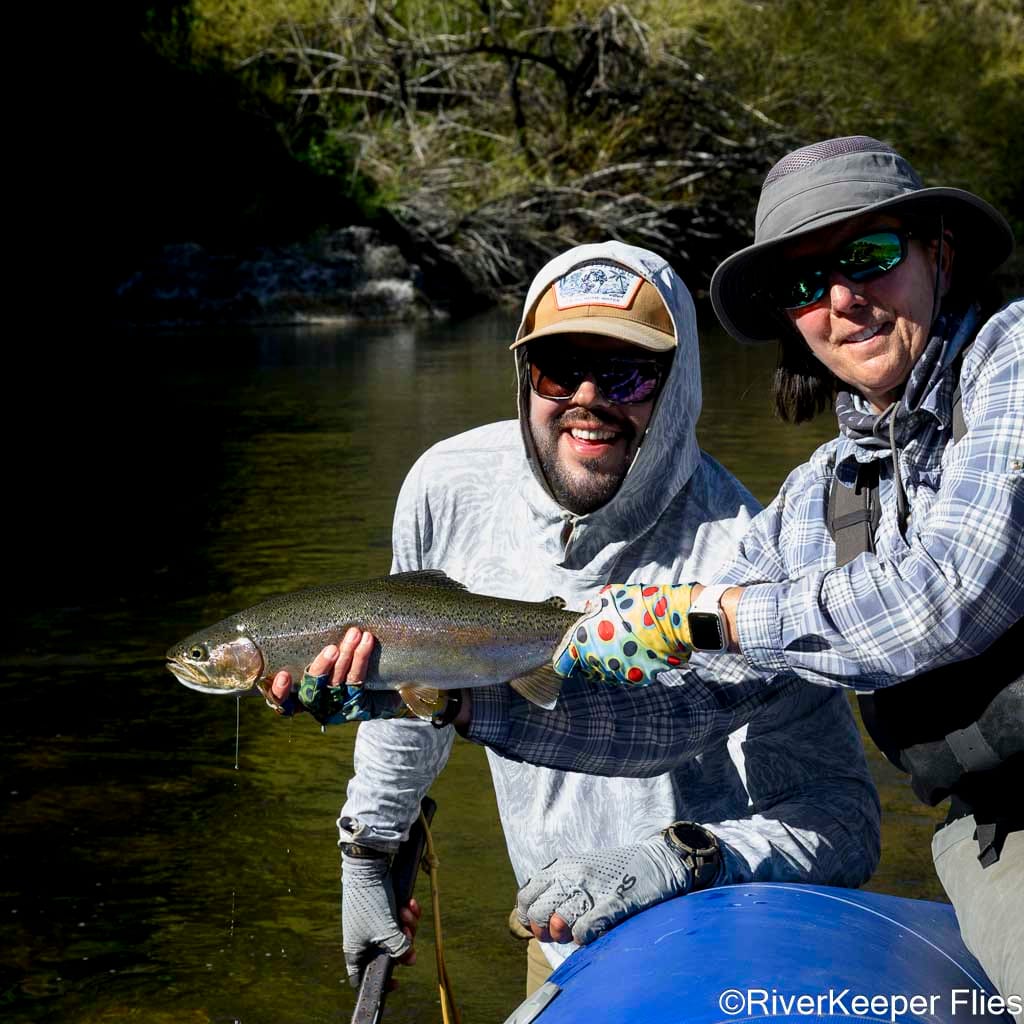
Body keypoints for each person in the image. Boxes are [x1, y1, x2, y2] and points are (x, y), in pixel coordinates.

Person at [267, 240, 881, 995]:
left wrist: (679, 857)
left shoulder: (747, 559)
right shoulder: (446, 489)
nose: (588, 398)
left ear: (677, 386)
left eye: (628, 373)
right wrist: (369, 849)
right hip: (555, 946)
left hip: (718, 950)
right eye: (558, 369)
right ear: (524, 373)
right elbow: (409, 682)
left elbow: (842, 823)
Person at [538, 138, 1024, 1003]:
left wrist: (699, 614)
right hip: (993, 837)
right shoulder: (818, 500)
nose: (841, 298)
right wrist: (462, 698)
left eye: (869, 255)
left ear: (940, 252)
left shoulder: (1014, 359)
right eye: (804, 283)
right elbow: (682, 711)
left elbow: (947, 595)